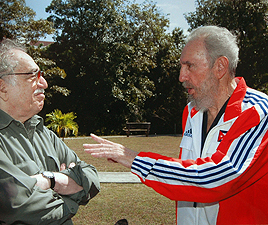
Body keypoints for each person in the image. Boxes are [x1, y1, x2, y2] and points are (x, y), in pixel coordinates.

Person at [84, 25, 268, 224]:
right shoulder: (192, 111)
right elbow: (187, 172)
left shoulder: (258, 113)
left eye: (190, 66)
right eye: (181, 66)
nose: (182, 76)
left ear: (220, 67)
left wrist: (134, 159)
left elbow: (215, 179)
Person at [0, 39, 100, 224]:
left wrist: (49, 180)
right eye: (33, 75)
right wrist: (68, 192)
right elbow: (17, 205)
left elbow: (91, 176)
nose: (44, 83)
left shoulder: (43, 133)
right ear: (2, 87)